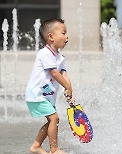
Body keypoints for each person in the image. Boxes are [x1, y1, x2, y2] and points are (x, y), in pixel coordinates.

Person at [25, 18, 74, 154]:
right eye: (63, 33)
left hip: (46, 97)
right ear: (51, 37)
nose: (67, 36)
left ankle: (36, 146)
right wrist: (67, 87)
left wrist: (70, 90)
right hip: (37, 94)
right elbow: (54, 73)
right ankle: (54, 149)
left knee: (51, 122)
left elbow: (63, 74)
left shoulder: (60, 57)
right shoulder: (45, 53)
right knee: (54, 118)